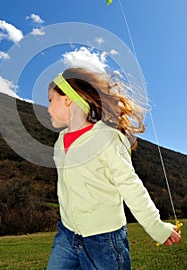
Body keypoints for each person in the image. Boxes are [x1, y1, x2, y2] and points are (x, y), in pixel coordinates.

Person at [46, 67, 181, 270]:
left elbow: (131, 186)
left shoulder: (107, 138)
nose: (47, 108)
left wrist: (156, 226)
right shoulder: (59, 142)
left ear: (68, 100)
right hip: (67, 234)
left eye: (50, 100)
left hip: (104, 240)